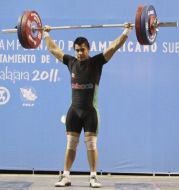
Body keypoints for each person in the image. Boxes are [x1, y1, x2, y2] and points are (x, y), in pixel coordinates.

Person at [43, 23, 133, 188]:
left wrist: (126, 31)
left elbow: (114, 47)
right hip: (74, 111)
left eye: (82, 49)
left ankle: (93, 177)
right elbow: (54, 50)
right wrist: (46, 34)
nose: (79, 53)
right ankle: (66, 176)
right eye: (77, 50)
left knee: (91, 144)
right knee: (71, 144)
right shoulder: (71, 62)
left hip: (90, 112)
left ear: (88, 49)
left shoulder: (97, 62)